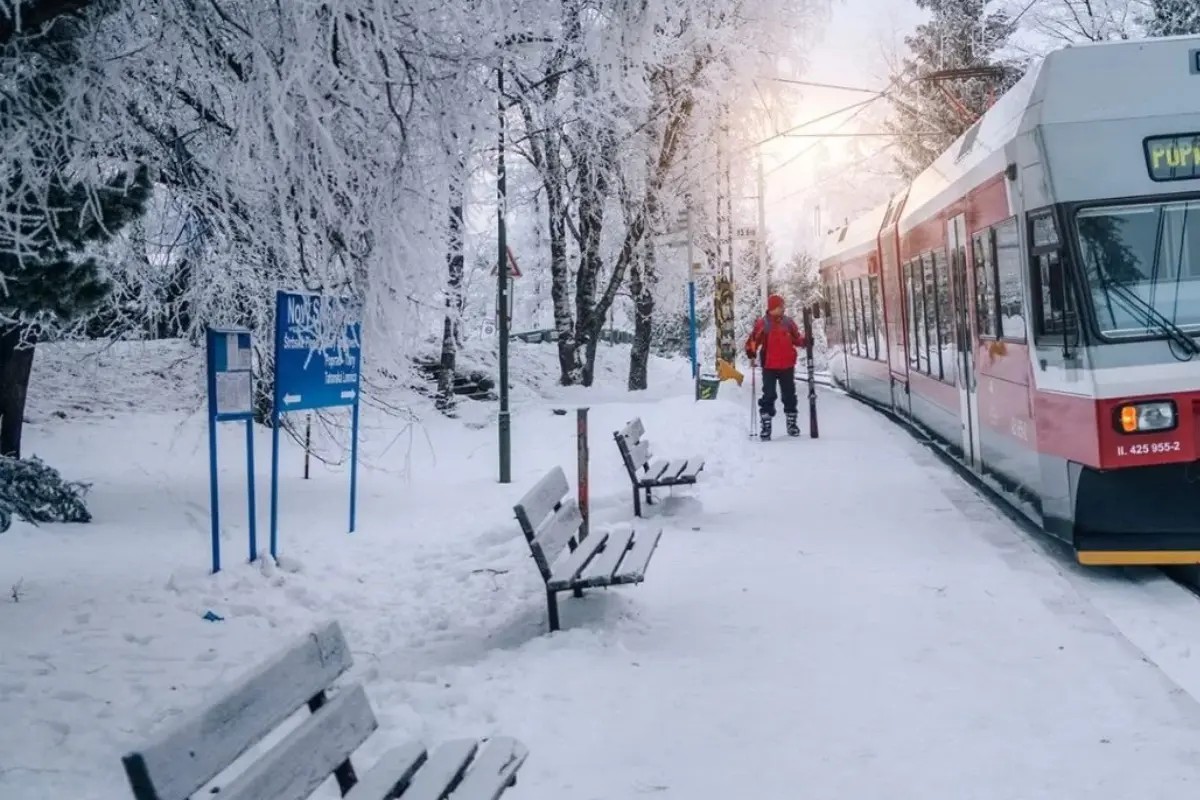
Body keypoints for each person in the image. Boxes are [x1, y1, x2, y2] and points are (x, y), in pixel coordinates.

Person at [744, 294, 807, 440]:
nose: (782, 308)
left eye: (782, 306)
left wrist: (806, 341)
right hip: (769, 366)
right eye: (780, 306)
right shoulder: (763, 324)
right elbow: (754, 339)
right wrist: (750, 350)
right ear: (772, 308)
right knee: (769, 395)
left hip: (787, 365)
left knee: (789, 395)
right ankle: (766, 425)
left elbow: (797, 339)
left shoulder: (788, 323)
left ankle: (792, 424)